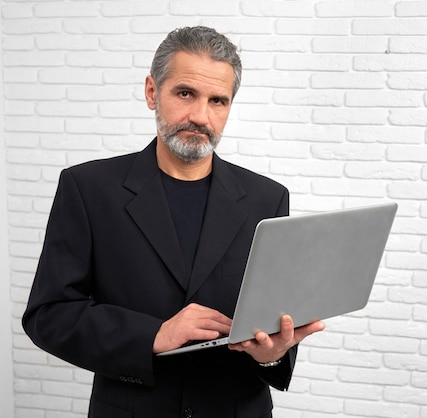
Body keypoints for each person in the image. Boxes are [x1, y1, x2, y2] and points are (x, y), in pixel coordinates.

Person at [22, 26, 325, 418]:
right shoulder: (88, 188)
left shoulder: (268, 198)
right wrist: (155, 334)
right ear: (152, 92)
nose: (200, 116)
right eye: (185, 94)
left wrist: (272, 355)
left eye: (218, 101)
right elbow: (50, 314)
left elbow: (273, 314)